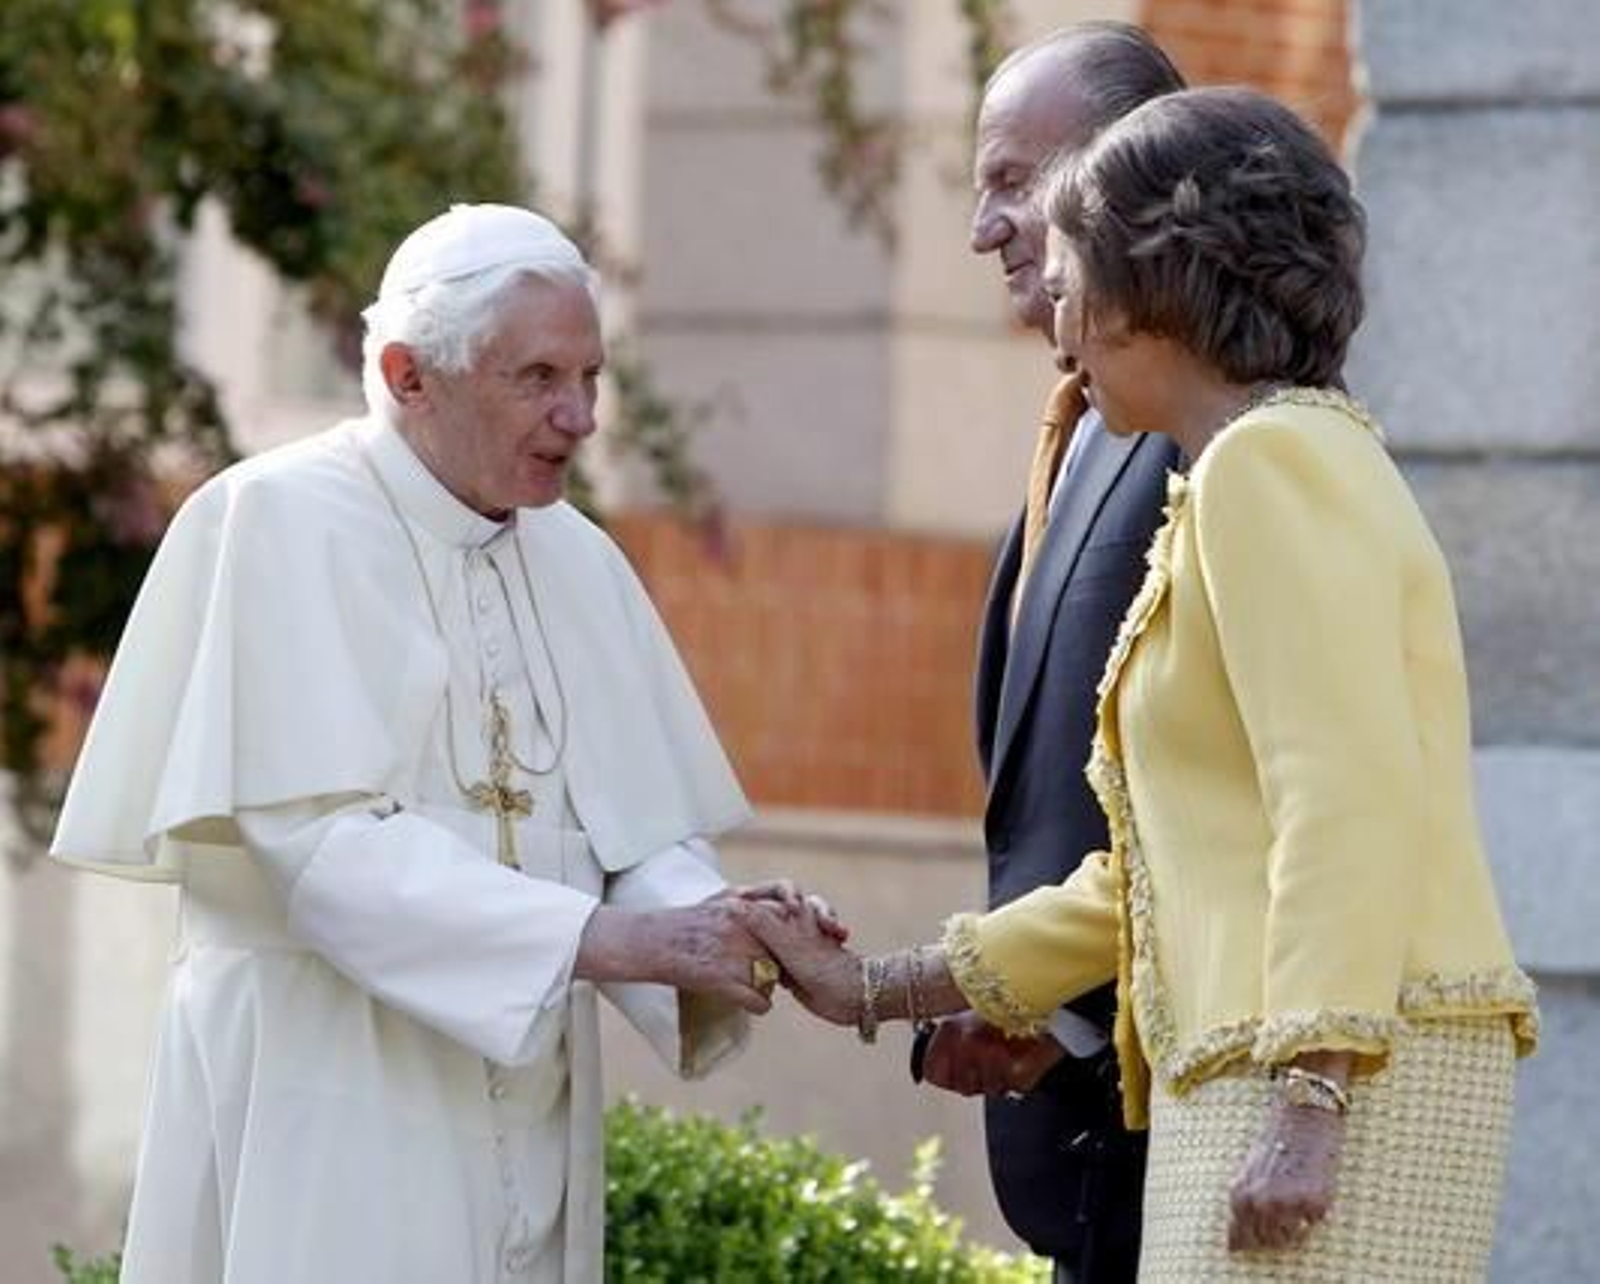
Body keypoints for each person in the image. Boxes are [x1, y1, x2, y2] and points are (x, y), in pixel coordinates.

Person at [758, 88, 1538, 1281]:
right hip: (1267, 1065)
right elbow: (1153, 870)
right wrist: (879, 985)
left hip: (1327, 1077)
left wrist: (1311, 1098)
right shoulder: (1247, 468)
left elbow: (1344, 793)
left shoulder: (1270, 466)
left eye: (1068, 270)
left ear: (1148, 287)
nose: (1054, 312)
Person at [49, 204, 827, 1284]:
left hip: (529, 1103)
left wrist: (717, 923)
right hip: (329, 1088)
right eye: (538, 377)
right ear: (409, 376)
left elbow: (630, 834)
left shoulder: (579, 558)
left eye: (591, 378)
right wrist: (613, 941)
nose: (579, 417)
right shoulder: (277, 519)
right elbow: (322, 848)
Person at [925, 23, 1184, 1281]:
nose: (984, 230)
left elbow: (1214, 812)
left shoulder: (1214, 439)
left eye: (1011, 183)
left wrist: (1060, 1010)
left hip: (1176, 1146)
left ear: (1120, 177)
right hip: (1080, 1163)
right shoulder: (1081, 426)